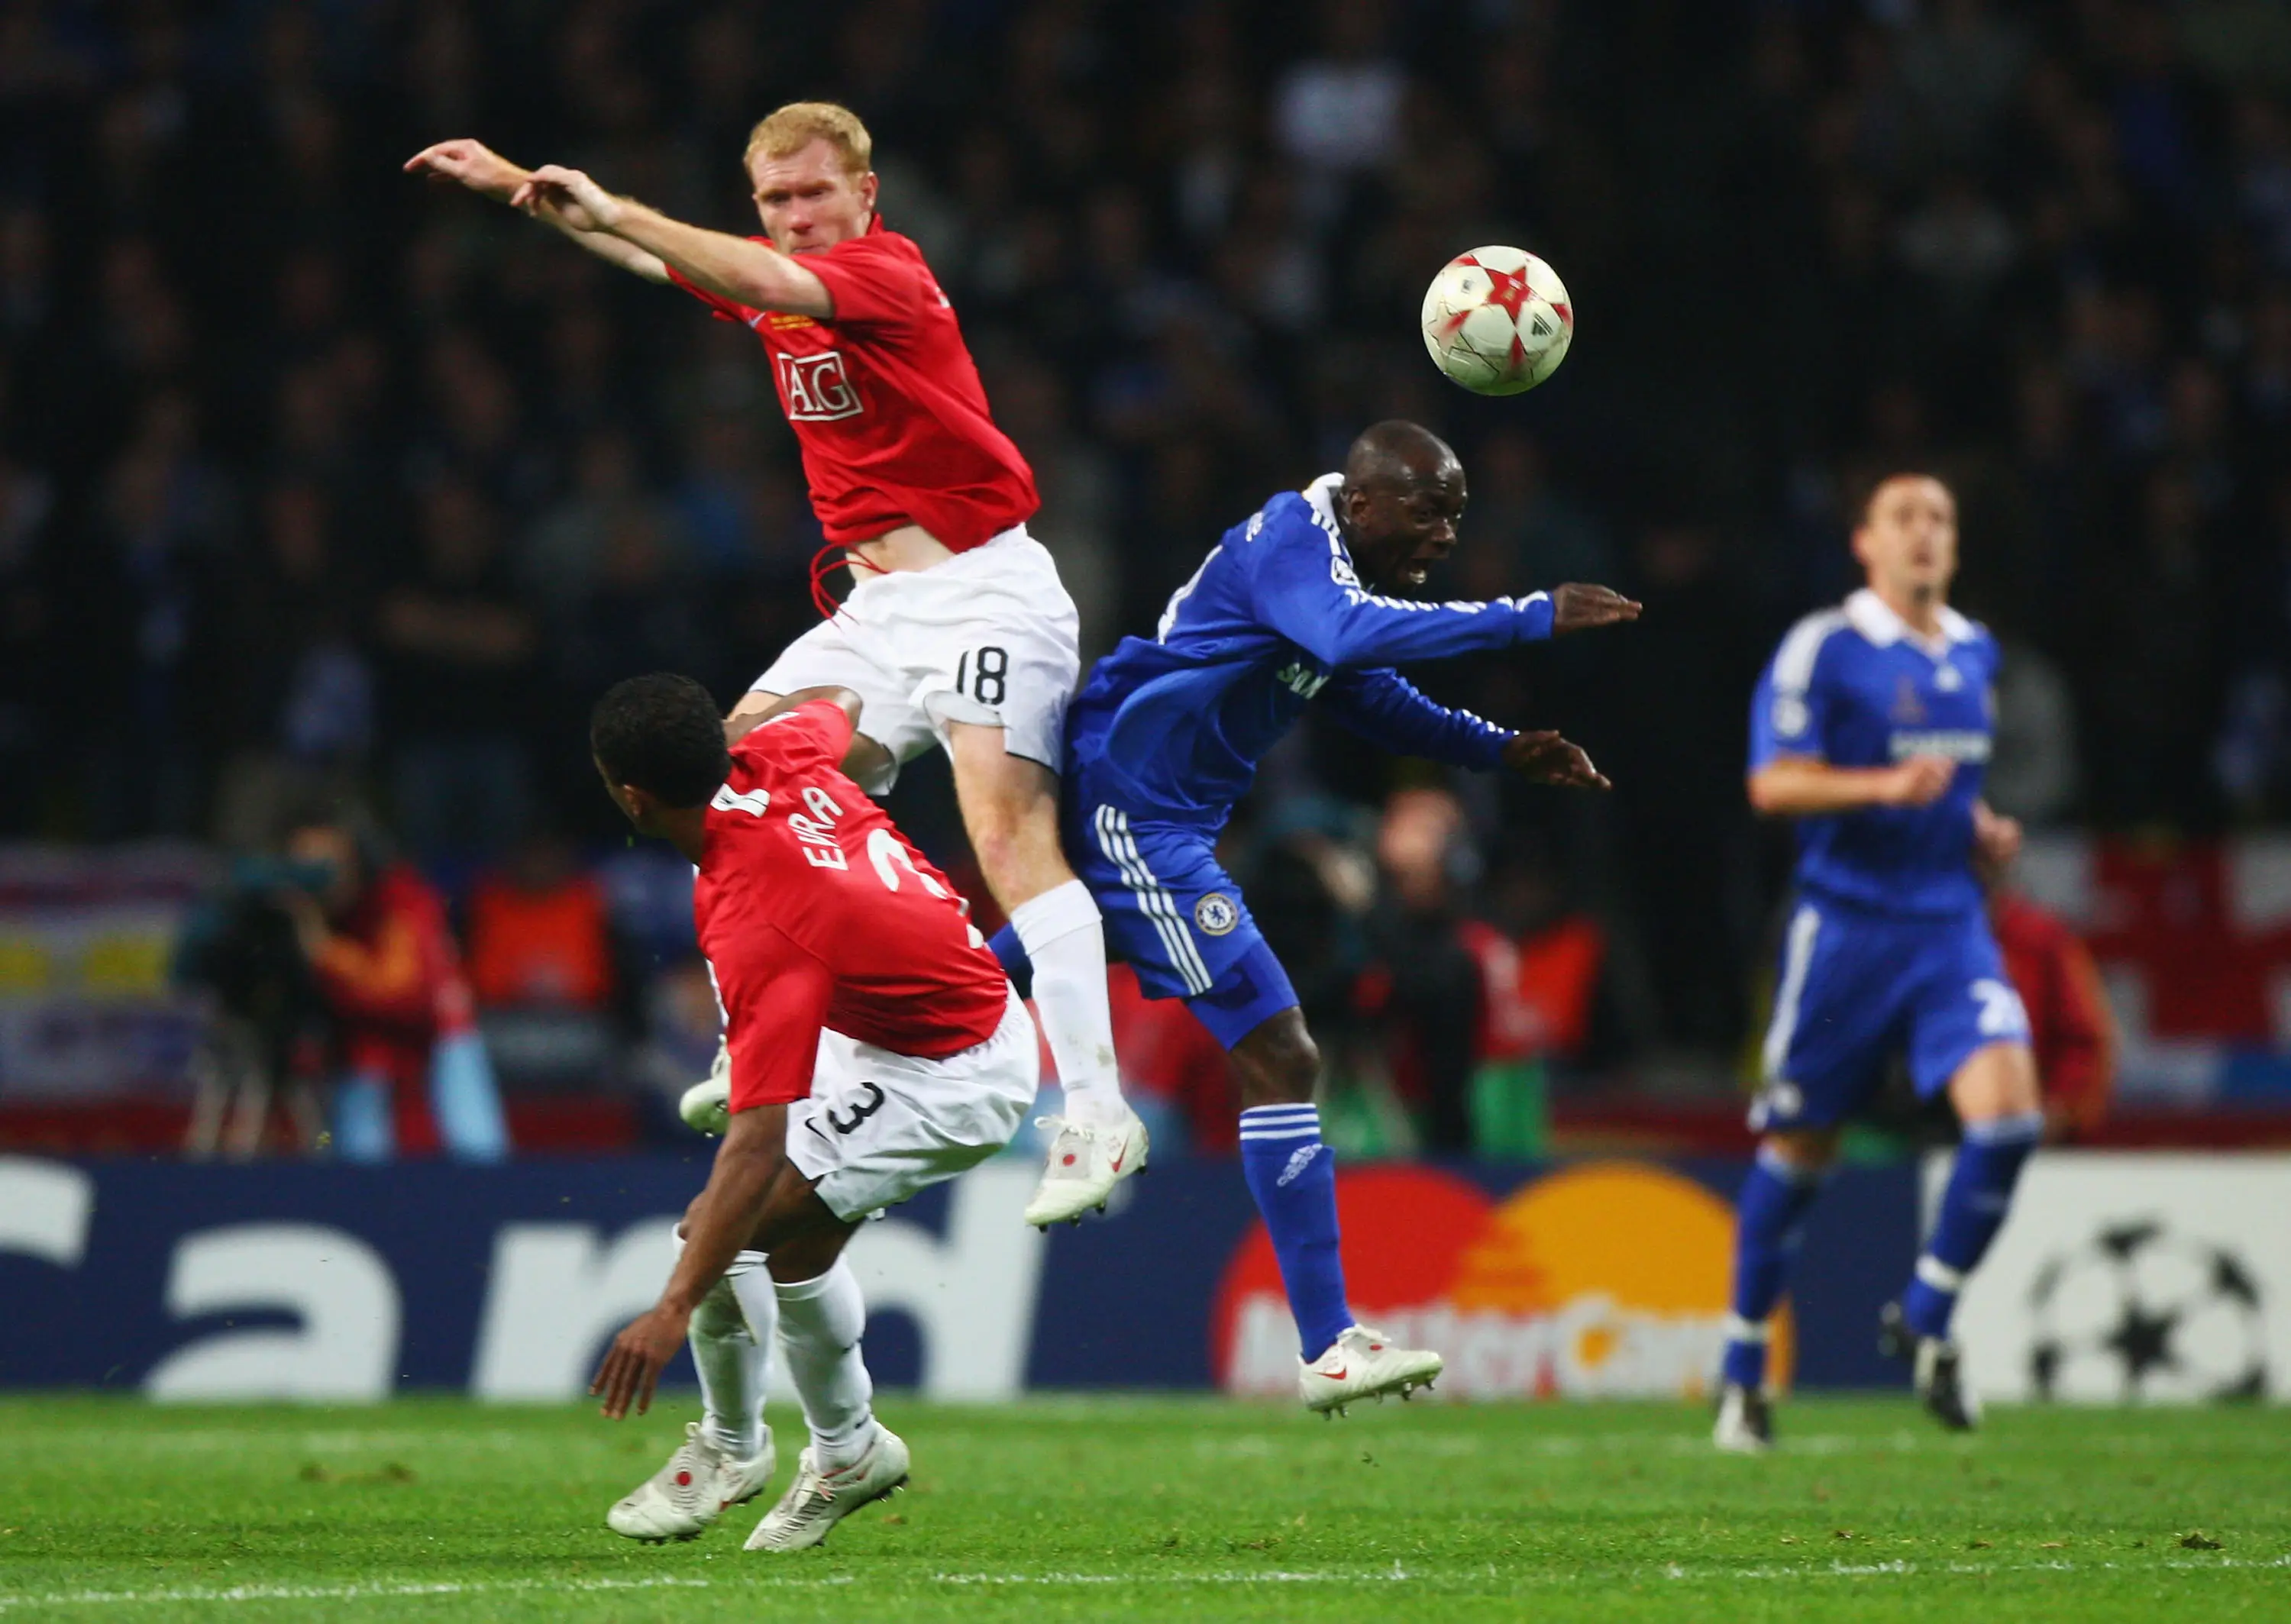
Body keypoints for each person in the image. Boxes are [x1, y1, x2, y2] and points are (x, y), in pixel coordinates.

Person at [405, 102, 1136, 1228]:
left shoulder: (887, 273)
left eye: (814, 195)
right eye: (776, 202)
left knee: (1004, 834)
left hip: (987, 590)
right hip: (879, 607)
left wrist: (617, 204)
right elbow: (654, 254)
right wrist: (523, 190)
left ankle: (1094, 1109)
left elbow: (748, 274)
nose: (798, 218)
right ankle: (765, 1041)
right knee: (728, 772)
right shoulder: (766, 280)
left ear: (864, 197)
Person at [997, 421, 1639, 1414]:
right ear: (1368, 501)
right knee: (1282, 1052)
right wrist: (1526, 615)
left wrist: (1500, 747)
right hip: (1136, 809)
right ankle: (1327, 1338)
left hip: (1160, 812)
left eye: (1458, 517)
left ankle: (820, 1046)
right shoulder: (1294, 542)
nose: (1445, 537)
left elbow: (1365, 690)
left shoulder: (1326, 572)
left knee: (1009, 961)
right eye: (1431, 513)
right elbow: (1345, 638)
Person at [586, 673, 1036, 1553]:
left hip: (952, 1072)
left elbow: (756, 1146)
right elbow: (840, 698)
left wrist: (672, 1309)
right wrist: (740, 729)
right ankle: (848, 1450)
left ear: (632, 796)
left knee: (716, 1236)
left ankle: (731, 1446)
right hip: (888, 1015)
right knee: (794, 1249)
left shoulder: (754, 915)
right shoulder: (777, 752)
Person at [1718, 473, 2040, 1454]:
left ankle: (1928, 1317)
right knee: (1799, 1154)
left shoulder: (1975, 651)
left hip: (1948, 926)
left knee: (2011, 1120)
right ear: (1864, 543)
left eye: (1941, 518)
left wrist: (1977, 830)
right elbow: (1772, 783)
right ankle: (1742, 1377)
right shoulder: (1827, 646)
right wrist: (1883, 785)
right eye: (1904, 519)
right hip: (1846, 931)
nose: (1925, 535)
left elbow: (1950, 790)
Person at [278, 813, 508, 1162]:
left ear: (355, 859)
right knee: (359, 1161)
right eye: (302, 861)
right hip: (361, 1043)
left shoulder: (400, 899)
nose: (315, 873)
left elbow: (400, 993)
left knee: (477, 1151)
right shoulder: (310, 913)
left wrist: (322, 947)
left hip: (439, 1033)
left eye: (326, 861)